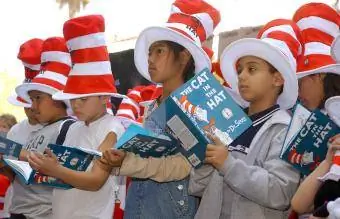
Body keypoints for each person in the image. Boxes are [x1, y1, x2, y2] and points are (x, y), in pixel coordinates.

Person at [189, 18, 302, 219]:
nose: (241, 76)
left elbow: (281, 193)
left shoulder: (286, 130)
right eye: (240, 69)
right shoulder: (231, 122)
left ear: (277, 79)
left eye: (252, 69)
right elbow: (199, 188)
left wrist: (227, 164)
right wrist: (206, 163)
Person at [27, 15, 126, 219]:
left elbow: (96, 180)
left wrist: (55, 170)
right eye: (73, 98)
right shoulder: (72, 127)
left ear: (105, 96)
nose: (76, 105)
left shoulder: (112, 128)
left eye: (84, 98)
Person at [13, 36, 73, 219]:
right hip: (20, 210)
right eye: (32, 100)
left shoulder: (68, 128)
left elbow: (60, 172)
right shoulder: (39, 130)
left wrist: (16, 152)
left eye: (38, 98)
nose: (32, 106)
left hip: (43, 214)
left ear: (58, 98)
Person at [290, 3, 340, 218]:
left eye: (300, 82)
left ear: (319, 75)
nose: (297, 92)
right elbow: (299, 203)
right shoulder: (302, 119)